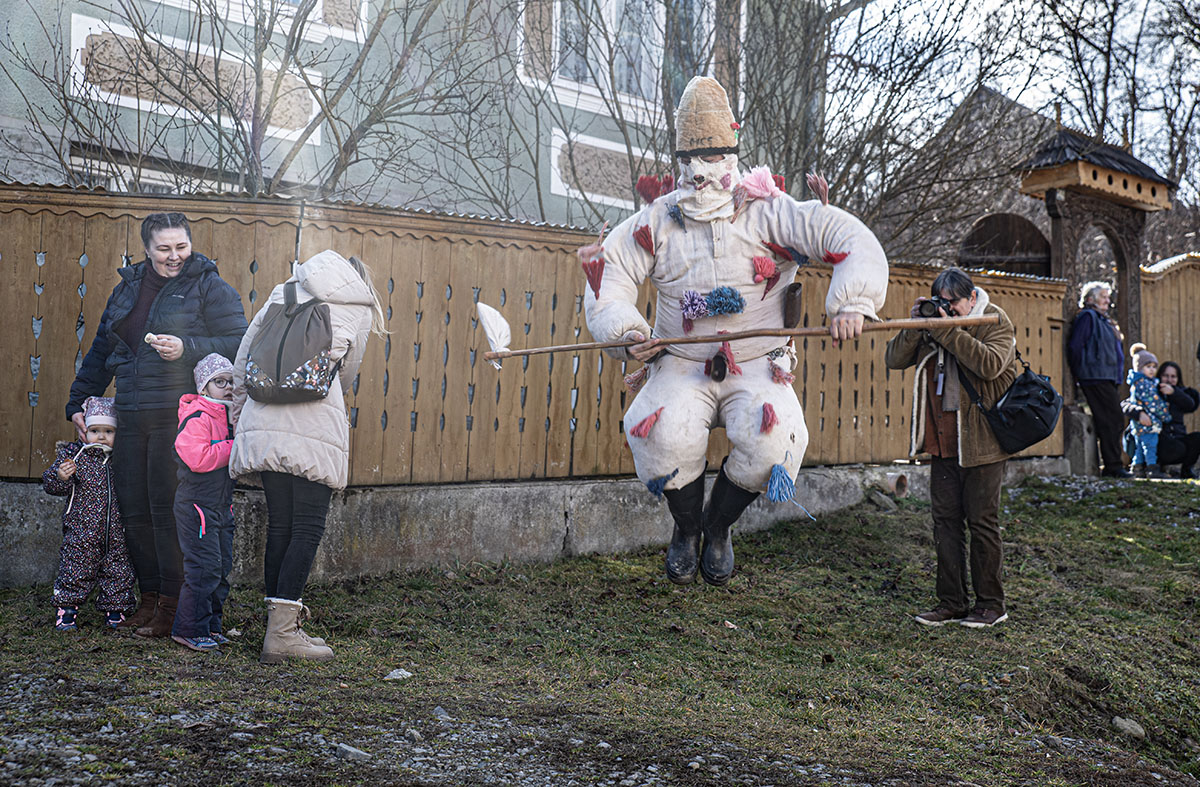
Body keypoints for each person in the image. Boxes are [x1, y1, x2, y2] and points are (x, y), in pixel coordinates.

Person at [582, 76, 887, 587]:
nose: (699, 173)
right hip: (679, 364)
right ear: (678, 159)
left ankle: (718, 528)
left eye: (712, 158)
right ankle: (686, 528)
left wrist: (851, 300)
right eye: (689, 161)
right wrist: (626, 330)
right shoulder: (656, 221)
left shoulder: (771, 212)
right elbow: (606, 279)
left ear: (733, 153)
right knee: (661, 435)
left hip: (762, 366)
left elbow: (846, 235)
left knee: (775, 444)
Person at [66, 212, 248, 638]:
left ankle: (173, 605)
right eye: (164, 249)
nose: (174, 257)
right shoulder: (127, 289)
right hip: (129, 415)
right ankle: (148, 600)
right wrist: (78, 401)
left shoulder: (208, 286)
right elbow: (100, 350)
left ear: (191, 244)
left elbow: (241, 342)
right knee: (137, 512)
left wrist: (188, 348)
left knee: (170, 514)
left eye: (181, 247)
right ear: (146, 249)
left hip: (180, 418)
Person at [230, 250, 387, 663]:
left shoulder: (282, 291)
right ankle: (283, 636)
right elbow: (347, 375)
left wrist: (239, 417)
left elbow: (244, 358)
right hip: (315, 423)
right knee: (308, 527)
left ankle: (276, 631)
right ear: (356, 277)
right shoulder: (358, 306)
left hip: (263, 415)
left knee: (280, 524)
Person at [885, 268, 1020, 629]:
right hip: (942, 439)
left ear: (972, 298)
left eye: (954, 302)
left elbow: (991, 365)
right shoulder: (934, 323)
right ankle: (952, 602)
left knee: (982, 521)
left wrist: (949, 331)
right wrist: (915, 325)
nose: (948, 309)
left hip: (983, 442)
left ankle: (991, 604)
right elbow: (894, 359)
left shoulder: (994, 320)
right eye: (941, 302)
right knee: (945, 522)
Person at [42, 396, 135, 631]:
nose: (101, 437)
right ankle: (67, 609)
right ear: (85, 431)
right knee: (75, 568)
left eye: (108, 431)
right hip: (82, 530)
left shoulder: (122, 460)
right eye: (95, 430)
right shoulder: (76, 456)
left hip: (117, 531)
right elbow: (52, 486)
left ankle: (116, 610)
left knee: (119, 570)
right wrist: (61, 476)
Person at [171, 354, 237, 652]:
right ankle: (189, 628)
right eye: (220, 382)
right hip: (196, 506)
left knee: (221, 566)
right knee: (203, 567)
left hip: (222, 505)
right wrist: (234, 447)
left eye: (232, 382)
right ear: (204, 387)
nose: (228, 387)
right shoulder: (197, 416)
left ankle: (211, 625)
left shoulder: (231, 416)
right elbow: (197, 458)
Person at [1067, 281, 1130, 477]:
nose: (1107, 301)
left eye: (1107, 297)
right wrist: (1081, 370)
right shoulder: (1088, 316)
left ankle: (1113, 464)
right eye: (1103, 297)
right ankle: (1113, 466)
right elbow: (1075, 346)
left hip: (1106, 376)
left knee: (1113, 419)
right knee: (1112, 419)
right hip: (1095, 376)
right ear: (1090, 299)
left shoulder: (1105, 320)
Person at [1122, 360, 1200, 478]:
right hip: (1157, 439)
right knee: (1152, 438)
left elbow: (1191, 405)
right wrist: (1139, 413)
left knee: (1197, 438)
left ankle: (1187, 470)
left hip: (1177, 441)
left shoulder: (1182, 393)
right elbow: (1125, 404)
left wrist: (1173, 393)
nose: (1169, 379)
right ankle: (1149, 467)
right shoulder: (1149, 390)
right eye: (1165, 376)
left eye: (1173, 376)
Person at [1123, 344, 1171, 479]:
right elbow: (1153, 403)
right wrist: (1165, 414)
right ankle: (1152, 468)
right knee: (1150, 447)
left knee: (1140, 446)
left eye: (1154, 367)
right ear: (1140, 368)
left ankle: (1136, 468)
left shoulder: (1138, 383)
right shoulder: (1144, 384)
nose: (1152, 370)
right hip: (1149, 422)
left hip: (1139, 424)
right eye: (1148, 367)